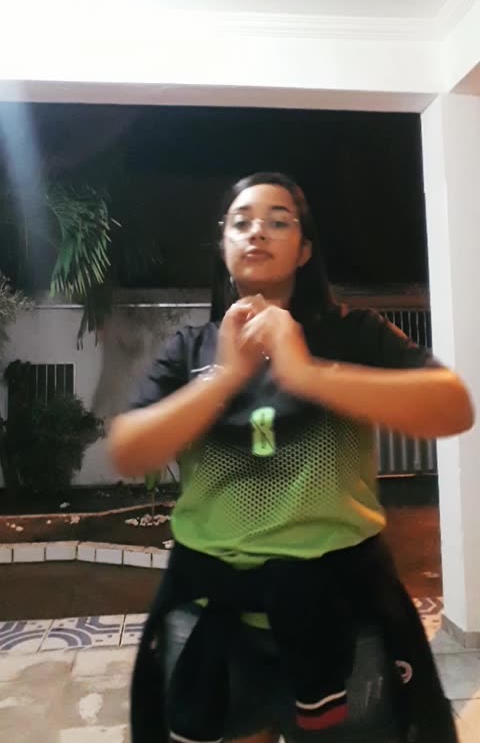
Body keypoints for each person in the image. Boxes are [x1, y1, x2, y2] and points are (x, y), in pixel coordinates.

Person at [109, 172, 473, 743]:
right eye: (241, 222)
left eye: (278, 221)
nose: (257, 232)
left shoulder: (354, 335)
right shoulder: (190, 349)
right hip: (211, 609)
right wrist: (225, 377)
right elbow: (129, 450)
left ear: (304, 249)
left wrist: (306, 372)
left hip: (340, 611)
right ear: (223, 245)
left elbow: (452, 408)